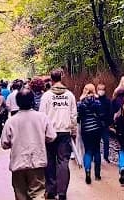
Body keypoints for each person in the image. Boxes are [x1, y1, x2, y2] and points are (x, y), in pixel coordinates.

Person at [1, 89, 57, 200]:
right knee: (38, 192)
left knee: (20, 194)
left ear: (17, 102)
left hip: (18, 163)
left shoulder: (11, 121)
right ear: (33, 101)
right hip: (37, 160)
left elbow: (4, 143)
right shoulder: (42, 118)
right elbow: (51, 136)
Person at [40, 69, 77, 200]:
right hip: (64, 132)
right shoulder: (70, 95)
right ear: (61, 78)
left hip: (49, 133)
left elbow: (42, 116)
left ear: (51, 79)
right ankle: (62, 192)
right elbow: (73, 115)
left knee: (50, 160)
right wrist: (74, 131)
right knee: (63, 161)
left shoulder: (46, 96)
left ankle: (51, 190)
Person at [77, 84, 104, 184]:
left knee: (88, 151)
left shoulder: (80, 103)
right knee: (97, 150)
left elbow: (78, 117)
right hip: (96, 129)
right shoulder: (97, 102)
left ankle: (87, 171)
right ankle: (97, 175)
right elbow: (101, 115)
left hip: (86, 130)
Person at [112, 76, 124, 185]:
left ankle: (123, 166)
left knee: (123, 149)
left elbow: (112, 114)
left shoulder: (115, 98)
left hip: (120, 128)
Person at [96, 82, 113, 163]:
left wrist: (109, 123)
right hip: (96, 124)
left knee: (106, 141)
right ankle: (97, 156)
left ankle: (106, 157)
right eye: (99, 89)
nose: (101, 91)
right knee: (97, 141)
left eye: (102, 89)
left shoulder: (107, 101)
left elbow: (110, 112)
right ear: (97, 90)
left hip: (105, 125)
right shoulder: (95, 100)